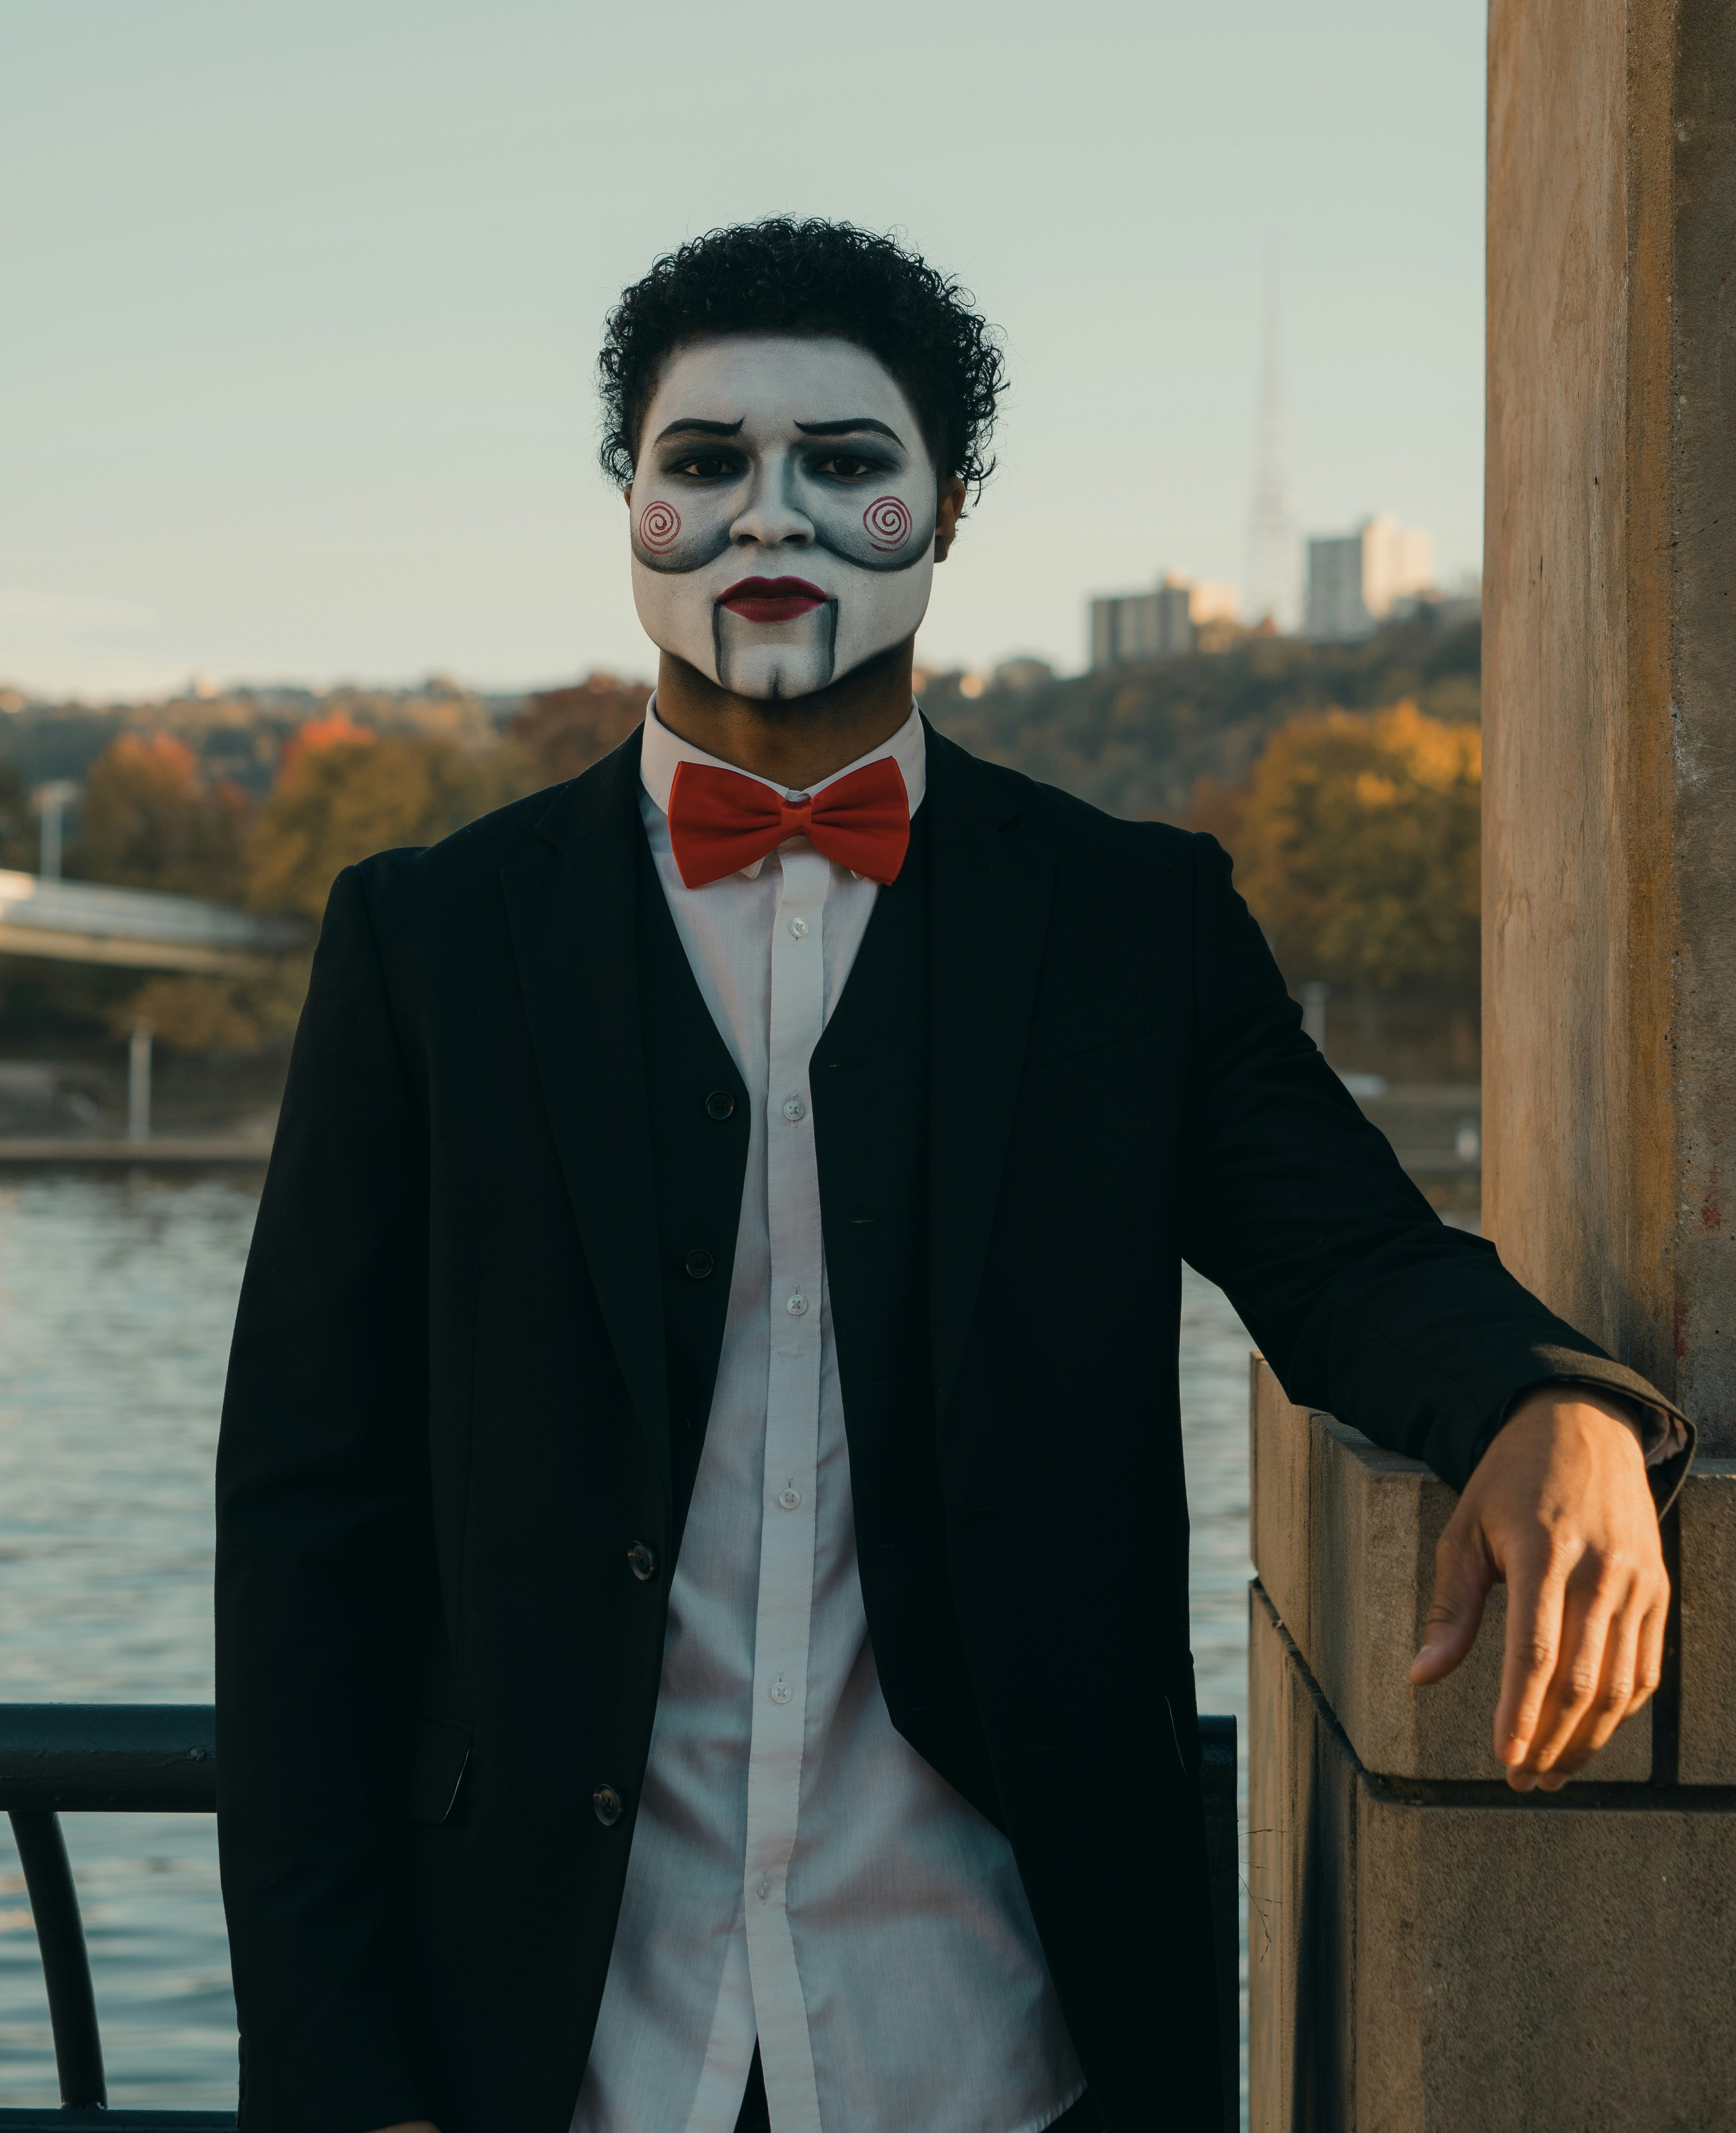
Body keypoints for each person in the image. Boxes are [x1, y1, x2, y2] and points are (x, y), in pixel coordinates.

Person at [214, 218, 1690, 2133]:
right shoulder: (425, 941)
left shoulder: (1128, 923)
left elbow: (1344, 1259)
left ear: (946, 507)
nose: (770, 518)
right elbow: (305, 1525)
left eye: (843, 462)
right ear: (630, 503)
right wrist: (338, 2080)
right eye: (703, 464)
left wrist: (1545, 1401)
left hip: (999, 2036)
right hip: (546, 2048)